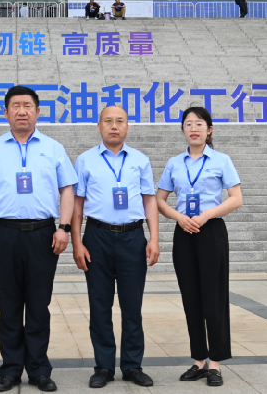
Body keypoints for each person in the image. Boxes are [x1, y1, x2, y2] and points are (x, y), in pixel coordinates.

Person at [0, 85, 76, 393]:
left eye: (27, 105)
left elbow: (67, 189)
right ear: (5, 112)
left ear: (37, 111)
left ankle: (39, 370)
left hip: (43, 234)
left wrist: (64, 227)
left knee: (38, 305)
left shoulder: (53, 148)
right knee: (8, 306)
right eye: (15, 106)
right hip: (4, 234)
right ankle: (10, 370)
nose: (21, 111)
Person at [72, 106, 159, 388]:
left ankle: (132, 365)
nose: (114, 126)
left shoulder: (140, 160)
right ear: (99, 126)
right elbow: (77, 205)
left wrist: (154, 238)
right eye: (108, 121)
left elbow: (149, 200)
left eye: (120, 121)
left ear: (127, 126)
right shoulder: (85, 160)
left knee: (132, 306)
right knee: (100, 305)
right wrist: (77, 242)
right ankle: (104, 367)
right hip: (96, 236)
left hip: (132, 238)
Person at [155, 106, 242, 388]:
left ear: (209, 129)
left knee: (213, 299)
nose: (194, 128)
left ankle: (215, 363)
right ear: (183, 129)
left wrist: (206, 215)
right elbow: (159, 199)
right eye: (188, 124)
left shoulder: (221, 160)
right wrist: (178, 217)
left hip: (211, 230)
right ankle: (199, 360)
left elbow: (236, 198)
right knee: (191, 298)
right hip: (184, 232)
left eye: (199, 124)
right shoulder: (174, 163)